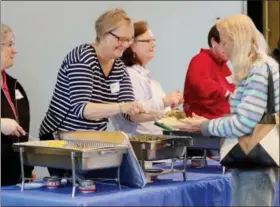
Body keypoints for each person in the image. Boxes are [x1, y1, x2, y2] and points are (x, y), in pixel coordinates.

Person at [39, 9, 161, 177]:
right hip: (60, 137)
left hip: (89, 139)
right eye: (121, 39)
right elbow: (82, 109)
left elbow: (128, 113)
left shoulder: (118, 66)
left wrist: (154, 115)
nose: (125, 44)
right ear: (104, 34)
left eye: (129, 39)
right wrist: (122, 107)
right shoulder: (82, 58)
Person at [177, 14, 279, 206]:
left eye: (224, 43)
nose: (221, 48)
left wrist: (204, 125)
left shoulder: (258, 70)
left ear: (237, 41)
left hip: (255, 162)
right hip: (250, 160)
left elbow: (244, 123)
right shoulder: (257, 68)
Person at [111, 21, 183, 135]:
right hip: (139, 143)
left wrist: (171, 104)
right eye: (147, 40)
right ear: (132, 45)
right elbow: (133, 110)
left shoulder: (145, 75)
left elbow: (155, 107)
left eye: (154, 40)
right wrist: (164, 101)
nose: (153, 44)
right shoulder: (129, 74)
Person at [1, 24, 34, 186]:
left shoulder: (14, 85)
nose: (14, 50)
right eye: (9, 44)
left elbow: (23, 130)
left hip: (14, 177)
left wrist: (26, 168)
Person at [183, 25, 235, 119]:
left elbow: (233, 90)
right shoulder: (199, 60)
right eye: (226, 44)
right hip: (203, 126)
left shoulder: (224, 66)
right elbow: (200, 84)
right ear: (214, 42)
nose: (230, 49)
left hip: (223, 123)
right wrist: (226, 94)